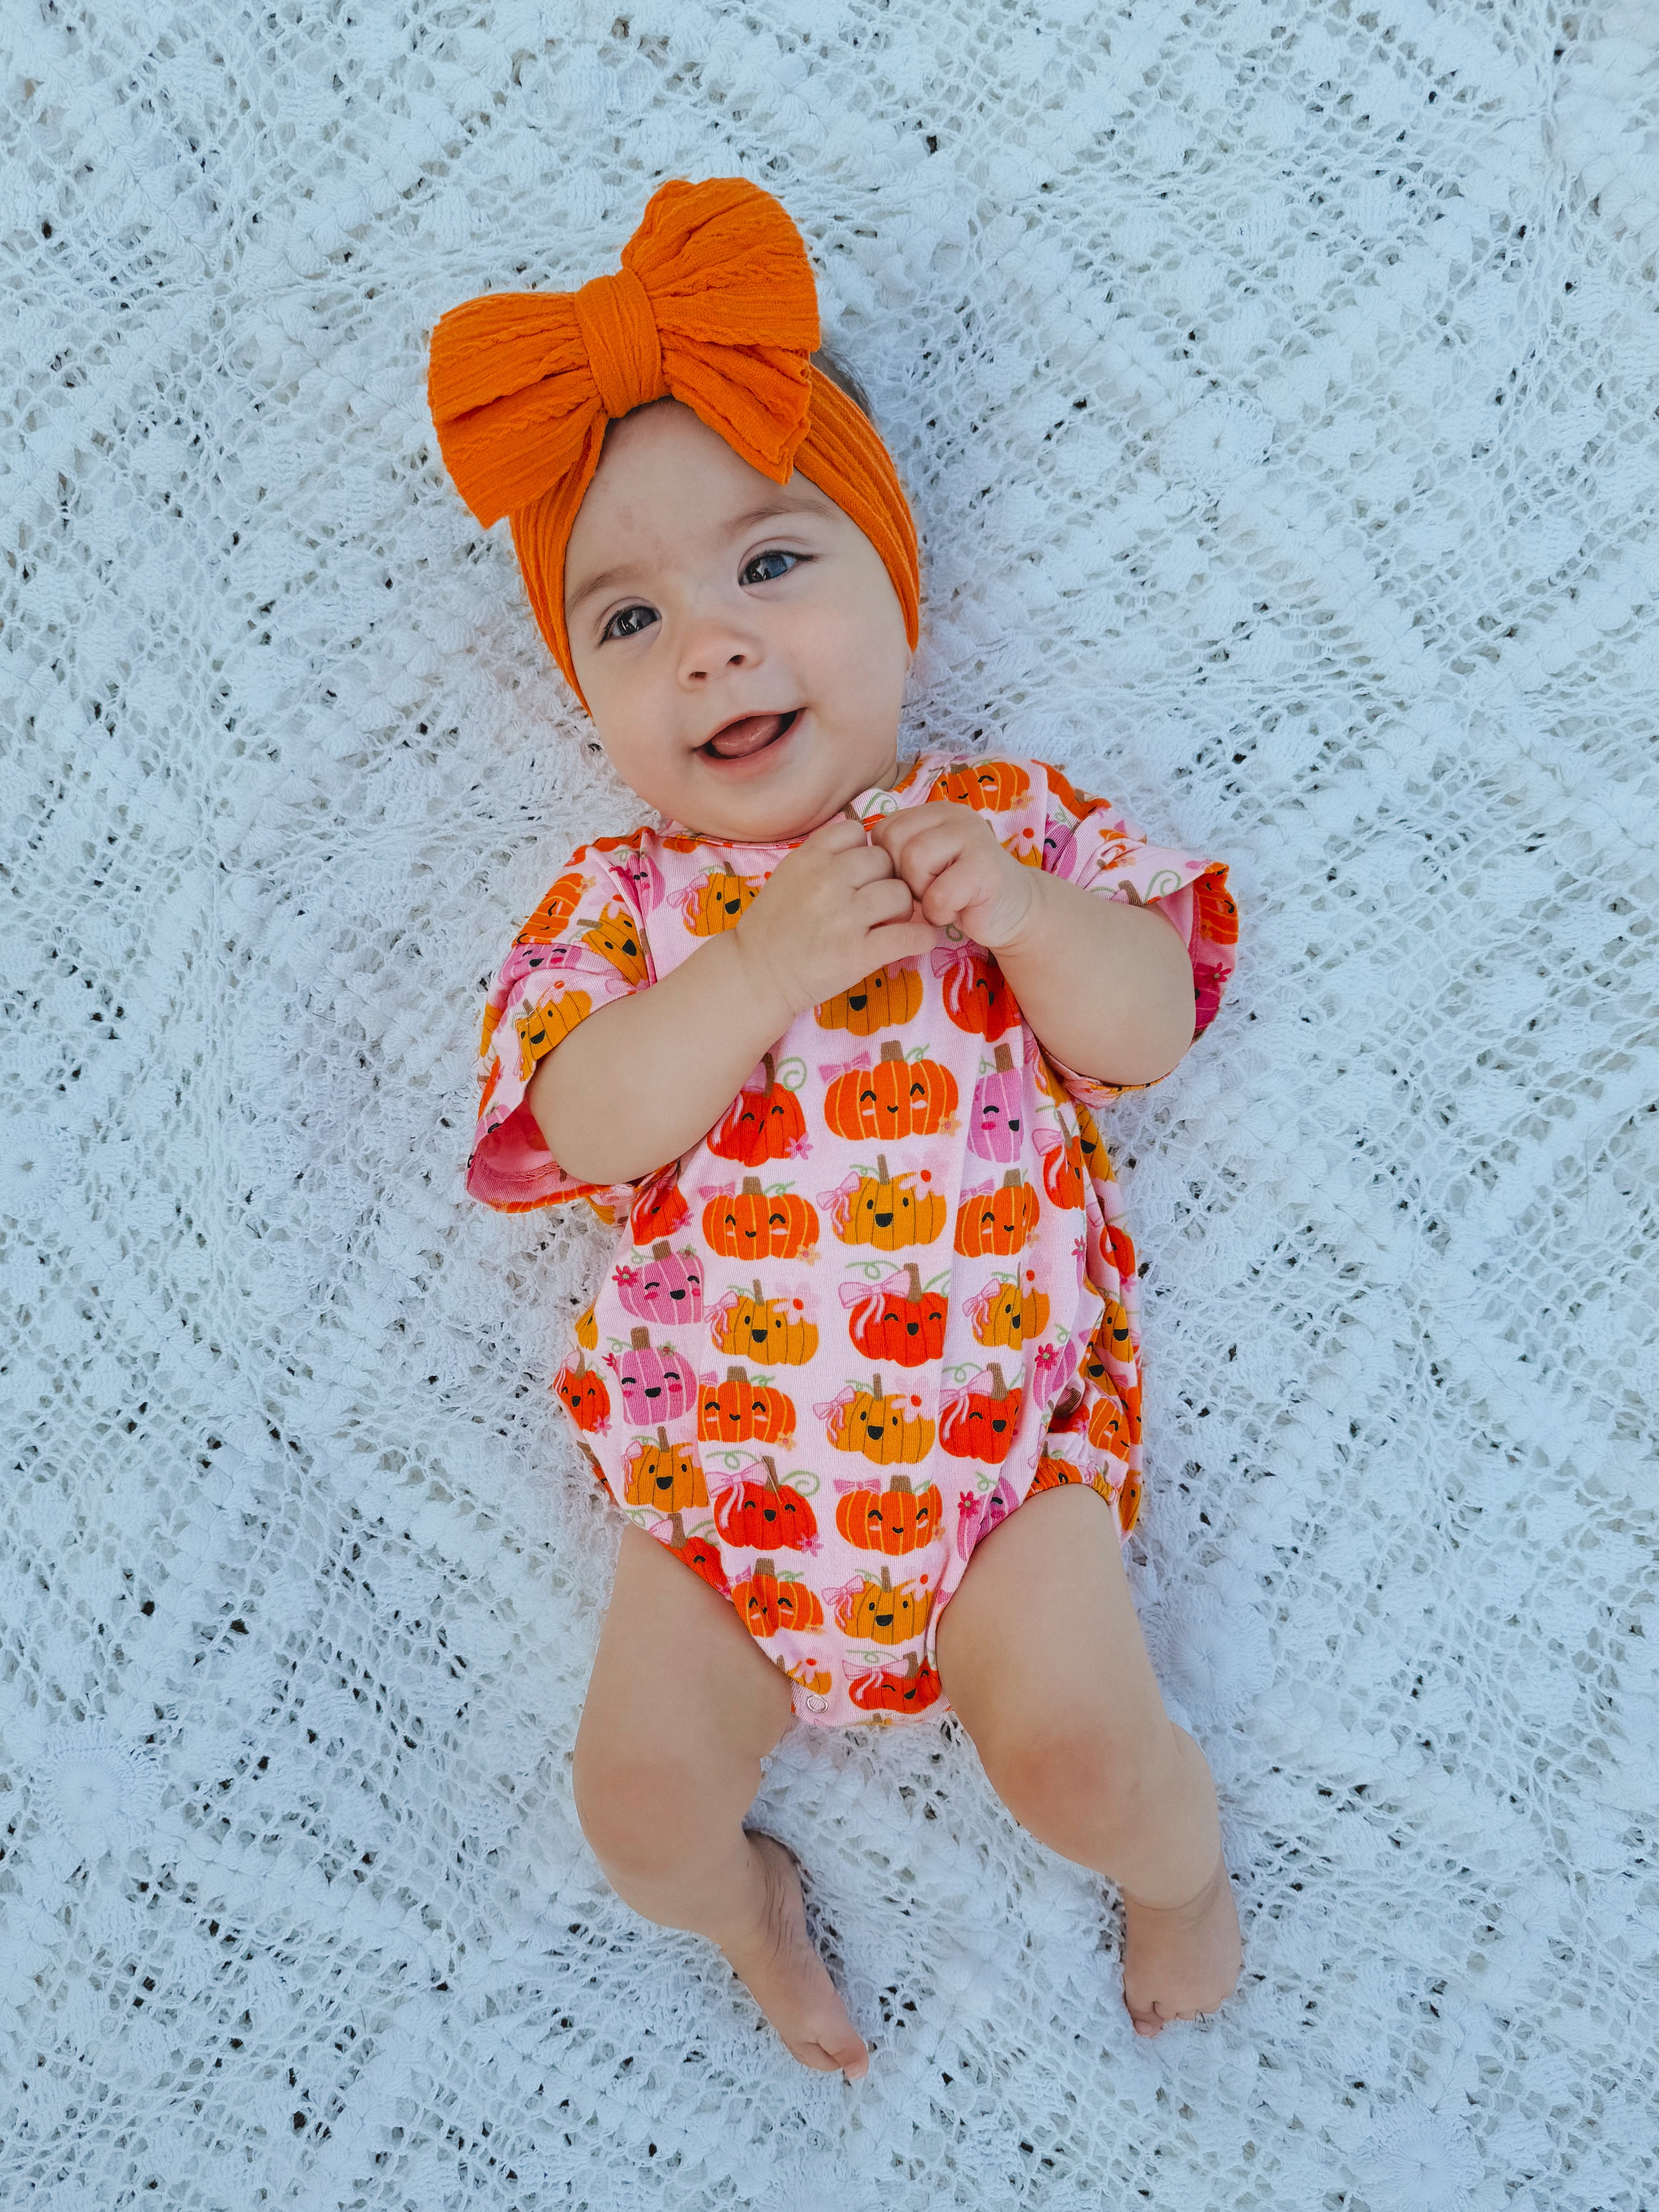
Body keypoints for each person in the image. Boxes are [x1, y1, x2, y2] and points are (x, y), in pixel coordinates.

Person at [428, 177, 1244, 2078]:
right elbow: (579, 1125)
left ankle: (1180, 1876)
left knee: (1082, 1754)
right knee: (632, 1805)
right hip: (723, 1502)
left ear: (901, 590)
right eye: (631, 618)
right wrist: (747, 975)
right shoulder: (620, 908)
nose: (710, 646)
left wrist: (1036, 921)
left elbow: (1152, 1026)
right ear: (593, 698)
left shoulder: (999, 820)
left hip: (993, 1459)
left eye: (771, 565)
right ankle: (743, 1906)